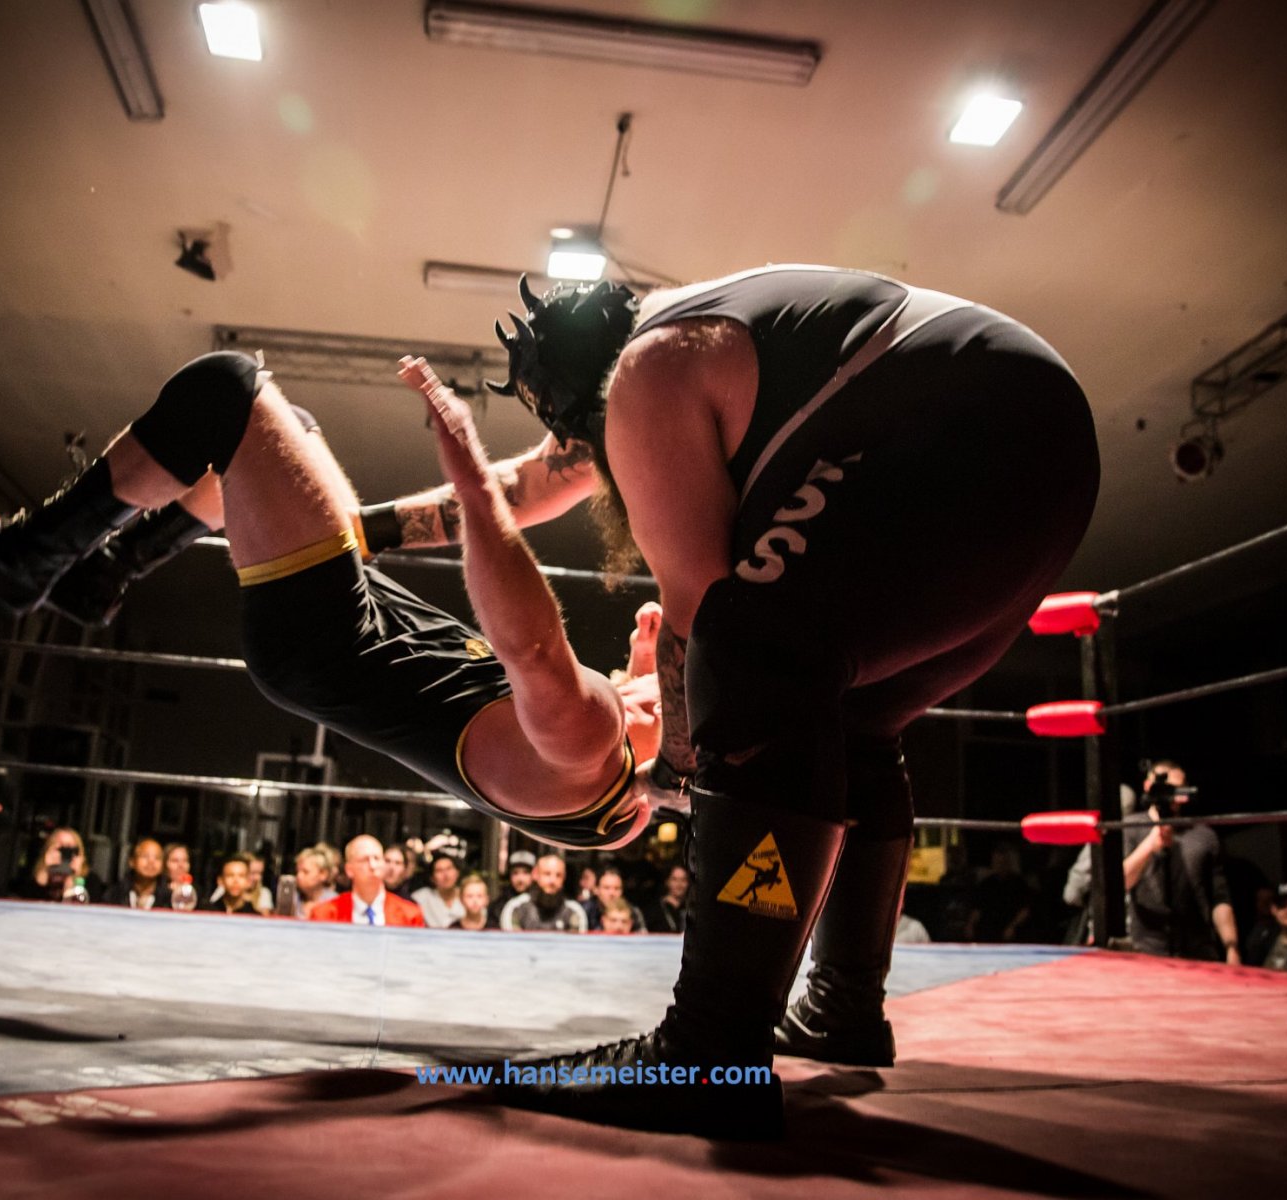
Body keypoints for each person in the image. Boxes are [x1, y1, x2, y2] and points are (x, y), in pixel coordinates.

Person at [366, 267, 1099, 1134]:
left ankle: (708, 1054)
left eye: (574, 429)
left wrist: (678, 771)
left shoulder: (647, 372)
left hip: (963, 431)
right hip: (1039, 458)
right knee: (853, 716)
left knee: (748, 646)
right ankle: (843, 1005)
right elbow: (524, 488)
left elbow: (700, 616)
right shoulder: (699, 339)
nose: (585, 454)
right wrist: (355, 531)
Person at [0, 351, 665, 859]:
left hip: (329, 642)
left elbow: (531, 645)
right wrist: (360, 528)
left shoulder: (589, 735)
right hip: (350, 624)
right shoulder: (618, 771)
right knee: (287, 431)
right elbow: (536, 484)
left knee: (226, 390)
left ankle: (29, 559)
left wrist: (463, 461)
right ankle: (111, 569)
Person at [1121, 761, 1242, 965]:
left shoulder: (1204, 836)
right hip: (1147, 950)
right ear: (1148, 787)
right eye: (1167, 788)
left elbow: (1220, 897)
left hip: (1197, 950)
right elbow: (1121, 882)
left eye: (1178, 788)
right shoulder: (1130, 828)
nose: (1172, 795)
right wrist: (1150, 845)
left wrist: (1232, 947)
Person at [307, 835, 424, 927]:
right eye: (364, 860)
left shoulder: (410, 915)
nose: (373, 866)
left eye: (377, 858)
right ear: (349, 869)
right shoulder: (324, 914)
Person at [499, 853, 589, 932]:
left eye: (558, 875)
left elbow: (576, 944)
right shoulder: (515, 908)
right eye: (547, 874)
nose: (552, 881)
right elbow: (513, 943)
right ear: (535, 874)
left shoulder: (574, 911)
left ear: (564, 878)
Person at [8, 827, 96, 901]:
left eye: (71, 850)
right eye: (60, 849)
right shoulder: (29, 878)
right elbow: (24, 902)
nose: (65, 855)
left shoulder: (91, 881)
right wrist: (44, 871)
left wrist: (74, 878)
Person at [103, 837, 171, 910]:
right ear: (132, 861)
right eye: (145, 856)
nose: (151, 861)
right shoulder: (114, 894)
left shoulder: (170, 899)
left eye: (157, 858)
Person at [411, 850, 467, 928]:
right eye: (439, 871)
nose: (446, 875)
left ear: (457, 873)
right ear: (432, 878)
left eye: (449, 868)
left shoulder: (469, 895)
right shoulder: (421, 897)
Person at [489, 850, 537, 927]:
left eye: (525, 872)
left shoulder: (541, 902)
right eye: (515, 873)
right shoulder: (498, 906)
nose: (520, 879)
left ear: (534, 874)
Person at [286, 846, 337, 918]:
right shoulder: (292, 898)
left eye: (305, 872)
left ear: (323, 874)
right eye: (297, 871)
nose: (299, 876)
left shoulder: (333, 901)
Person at [643, 863, 690, 935]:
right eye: (674, 879)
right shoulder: (654, 910)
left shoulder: (693, 909)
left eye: (683, 880)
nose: (679, 884)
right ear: (667, 882)